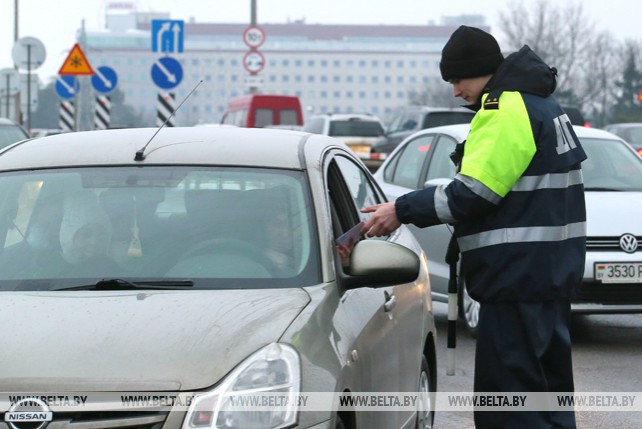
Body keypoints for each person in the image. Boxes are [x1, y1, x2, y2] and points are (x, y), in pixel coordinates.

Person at [361, 26, 586, 429]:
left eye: (457, 79)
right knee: (549, 401)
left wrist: (402, 209)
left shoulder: (503, 110)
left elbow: (472, 194)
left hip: (516, 280)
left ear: (480, 71)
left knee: (511, 410)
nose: (454, 90)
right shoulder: (545, 106)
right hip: (548, 277)